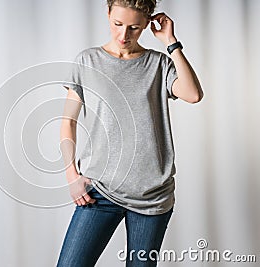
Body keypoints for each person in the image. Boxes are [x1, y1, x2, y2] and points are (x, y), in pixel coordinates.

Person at [57, 0, 203, 266]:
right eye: (118, 25)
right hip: (99, 190)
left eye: (134, 28)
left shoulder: (158, 64)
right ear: (108, 13)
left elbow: (193, 94)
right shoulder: (87, 61)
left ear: (148, 23)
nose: (124, 35)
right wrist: (71, 175)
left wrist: (171, 43)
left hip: (152, 195)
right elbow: (68, 121)